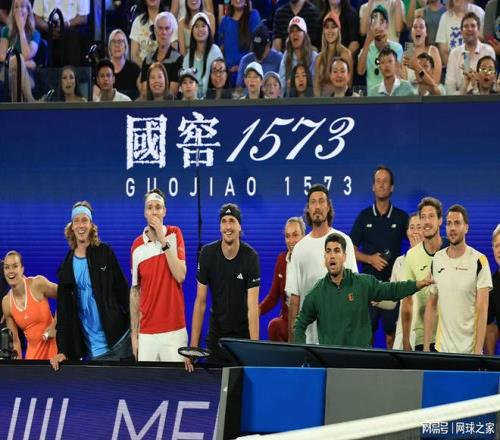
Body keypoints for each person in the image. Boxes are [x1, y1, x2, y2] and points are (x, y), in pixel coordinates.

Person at [294, 233, 432, 347]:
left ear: (344, 257)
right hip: (332, 364)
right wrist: (303, 352)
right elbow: (300, 324)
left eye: (337, 251)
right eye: (328, 251)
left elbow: (392, 290)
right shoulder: (317, 293)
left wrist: (417, 284)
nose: (332, 255)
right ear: (325, 258)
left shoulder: (363, 283)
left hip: (361, 362)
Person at [50, 201, 131, 370]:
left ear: (91, 225)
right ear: (72, 226)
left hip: (123, 342)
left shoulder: (105, 252)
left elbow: (123, 292)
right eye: (77, 221)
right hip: (95, 352)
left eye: (84, 220)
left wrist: (136, 329)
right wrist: (62, 350)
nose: (81, 225)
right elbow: (63, 315)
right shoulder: (65, 268)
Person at [186, 203, 260, 370]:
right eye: (224, 221)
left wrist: (255, 350)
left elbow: (253, 308)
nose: (228, 226)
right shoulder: (207, 254)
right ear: (220, 226)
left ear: (239, 226)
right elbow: (200, 302)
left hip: (242, 340)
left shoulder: (251, 257)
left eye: (232, 221)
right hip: (216, 338)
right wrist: (193, 347)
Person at [286, 183, 358, 344]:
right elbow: (294, 299)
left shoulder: (344, 241)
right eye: (313, 202)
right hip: (308, 340)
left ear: (328, 207)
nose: (317, 206)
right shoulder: (299, 249)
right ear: (308, 208)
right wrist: (292, 343)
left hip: (340, 338)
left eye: (321, 201)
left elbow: (353, 290)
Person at [350, 166, 409, 349]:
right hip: (368, 289)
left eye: (385, 181)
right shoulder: (364, 216)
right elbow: (350, 249)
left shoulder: (401, 217)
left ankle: (392, 366)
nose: (381, 185)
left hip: (393, 288)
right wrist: (370, 259)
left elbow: (416, 246)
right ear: (373, 187)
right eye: (378, 181)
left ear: (391, 187)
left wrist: (401, 271)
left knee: (392, 336)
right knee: (365, 336)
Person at [424, 205, 492, 354]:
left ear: (466, 228)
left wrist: (478, 350)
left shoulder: (479, 261)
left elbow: (482, 309)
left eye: (457, 223)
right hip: (442, 350)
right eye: (449, 223)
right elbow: (431, 304)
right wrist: (426, 347)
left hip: (470, 352)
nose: (452, 228)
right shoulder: (437, 259)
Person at [130, 188, 188, 362]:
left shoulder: (174, 234)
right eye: (150, 207)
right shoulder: (136, 246)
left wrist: (163, 240)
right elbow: (135, 292)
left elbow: (180, 275)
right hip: (147, 333)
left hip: (175, 331)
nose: (154, 212)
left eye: (158, 207)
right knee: (147, 381)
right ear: (145, 212)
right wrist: (134, 336)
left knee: (175, 380)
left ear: (164, 211)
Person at [401, 196, 447, 351]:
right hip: (423, 339)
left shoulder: (452, 249)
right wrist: (406, 341)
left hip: (451, 337)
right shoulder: (411, 256)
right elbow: (407, 301)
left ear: (440, 220)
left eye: (431, 216)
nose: (427, 221)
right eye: (423, 217)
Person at [2, 251, 57, 360]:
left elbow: (65, 295)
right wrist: (17, 367)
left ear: (22, 269)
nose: (11, 271)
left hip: (56, 353)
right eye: (7, 267)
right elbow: (15, 341)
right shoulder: (6, 302)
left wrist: (55, 326)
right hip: (33, 358)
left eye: (15, 266)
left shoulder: (37, 284)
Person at [259, 217, 305, 342]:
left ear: (304, 236)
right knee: (274, 326)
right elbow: (273, 297)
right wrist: (256, 310)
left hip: (307, 319)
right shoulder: (281, 260)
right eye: (287, 236)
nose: (291, 240)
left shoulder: (310, 259)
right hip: (287, 317)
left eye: (295, 235)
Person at [382, 213, 423, 350]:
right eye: (412, 227)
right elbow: (392, 301)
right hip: (403, 332)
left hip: (425, 333)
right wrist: (375, 297)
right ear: (407, 232)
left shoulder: (435, 259)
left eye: (419, 227)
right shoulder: (399, 262)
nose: (415, 231)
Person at [445, 12, 495, 95]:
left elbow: (492, 86)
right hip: (460, 100)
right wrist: (463, 90)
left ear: (478, 30)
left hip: (483, 99)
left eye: (473, 26)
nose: (469, 29)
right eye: (466, 26)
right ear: (461, 31)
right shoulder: (455, 54)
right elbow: (449, 90)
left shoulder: (488, 50)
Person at [358, 5, 403, 95]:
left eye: (381, 21)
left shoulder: (396, 47)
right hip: (373, 97)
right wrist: (367, 42)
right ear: (370, 26)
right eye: (374, 21)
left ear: (387, 25)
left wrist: (385, 47)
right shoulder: (366, 49)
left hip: (392, 95)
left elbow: (399, 74)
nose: (378, 26)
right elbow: (360, 71)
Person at [0, 0, 40, 102]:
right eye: (16, 7)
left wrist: (21, 29)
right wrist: (27, 63)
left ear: (28, 11)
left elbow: (27, 55)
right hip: (6, 73)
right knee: (16, 60)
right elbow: (2, 56)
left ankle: (16, 107)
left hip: (28, 76)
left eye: (22, 6)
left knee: (16, 68)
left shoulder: (35, 34)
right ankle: (31, 100)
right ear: (13, 12)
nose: (19, 10)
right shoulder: (5, 31)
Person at [139, 12, 183, 99]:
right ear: (155, 31)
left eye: (167, 28)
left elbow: (172, 93)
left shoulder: (178, 59)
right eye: (160, 28)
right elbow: (144, 92)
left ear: (172, 31)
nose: (164, 32)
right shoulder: (147, 60)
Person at [217, 0, 260, 86]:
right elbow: (221, 48)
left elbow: (257, 45)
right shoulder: (225, 21)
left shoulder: (253, 16)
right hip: (228, 74)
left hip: (248, 73)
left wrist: (241, 67)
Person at [34, 0, 89, 66]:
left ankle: (71, 70)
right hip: (47, 28)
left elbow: (83, 18)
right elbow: (37, 19)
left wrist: (66, 24)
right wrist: (49, 28)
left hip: (71, 27)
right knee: (37, 36)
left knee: (72, 36)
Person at [182, 11, 223, 97]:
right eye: (196, 26)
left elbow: (220, 79)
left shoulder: (215, 51)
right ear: (192, 31)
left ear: (208, 29)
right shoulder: (187, 58)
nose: (200, 29)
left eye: (203, 26)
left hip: (212, 99)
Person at [314, 11, 353, 96]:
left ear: (338, 30)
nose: (330, 31)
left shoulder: (345, 54)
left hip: (341, 100)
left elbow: (348, 84)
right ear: (323, 31)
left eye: (333, 27)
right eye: (327, 27)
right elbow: (316, 87)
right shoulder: (319, 58)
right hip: (322, 101)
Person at [435, 0, 485, 65]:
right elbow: (443, 51)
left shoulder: (479, 12)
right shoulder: (445, 17)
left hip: (477, 64)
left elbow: (484, 43)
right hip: (453, 65)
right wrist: (455, 68)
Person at [278, 16, 318, 96]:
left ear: (304, 34)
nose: (295, 34)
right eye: (292, 31)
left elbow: (316, 83)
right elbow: (281, 84)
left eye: (298, 30)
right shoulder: (286, 56)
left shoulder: (314, 57)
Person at [236, 24, 283, 90]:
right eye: (256, 50)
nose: (258, 54)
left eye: (261, 50)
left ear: (268, 45)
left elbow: (282, 87)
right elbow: (239, 88)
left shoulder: (279, 59)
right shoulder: (245, 60)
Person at [129, 0, 173, 67]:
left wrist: (161, 70)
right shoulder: (138, 21)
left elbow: (173, 52)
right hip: (143, 68)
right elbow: (134, 55)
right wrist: (147, 69)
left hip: (166, 69)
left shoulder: (170, 19)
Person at [401, 17, 442, 86]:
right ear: (411, 32)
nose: (418, 29)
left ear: (426, 33)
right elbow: (404, 83)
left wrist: (416, 67)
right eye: (415, 27)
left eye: (421, 27)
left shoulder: (433, 50)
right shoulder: (408, 50)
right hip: (411, 92)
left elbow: (435, 83)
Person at [108, 29, 140, 97]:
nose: (117, 45)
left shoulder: (134, 69)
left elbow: (143, 94)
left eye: (120, 41)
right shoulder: (104, 68)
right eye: (113, 42)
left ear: (125, 46)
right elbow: (96, 95)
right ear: (109, 47)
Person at [485, 225, 500, 355]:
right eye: (497, 246)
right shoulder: (491, 284)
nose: (499, 250)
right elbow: (490, 325)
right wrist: (490, 360)